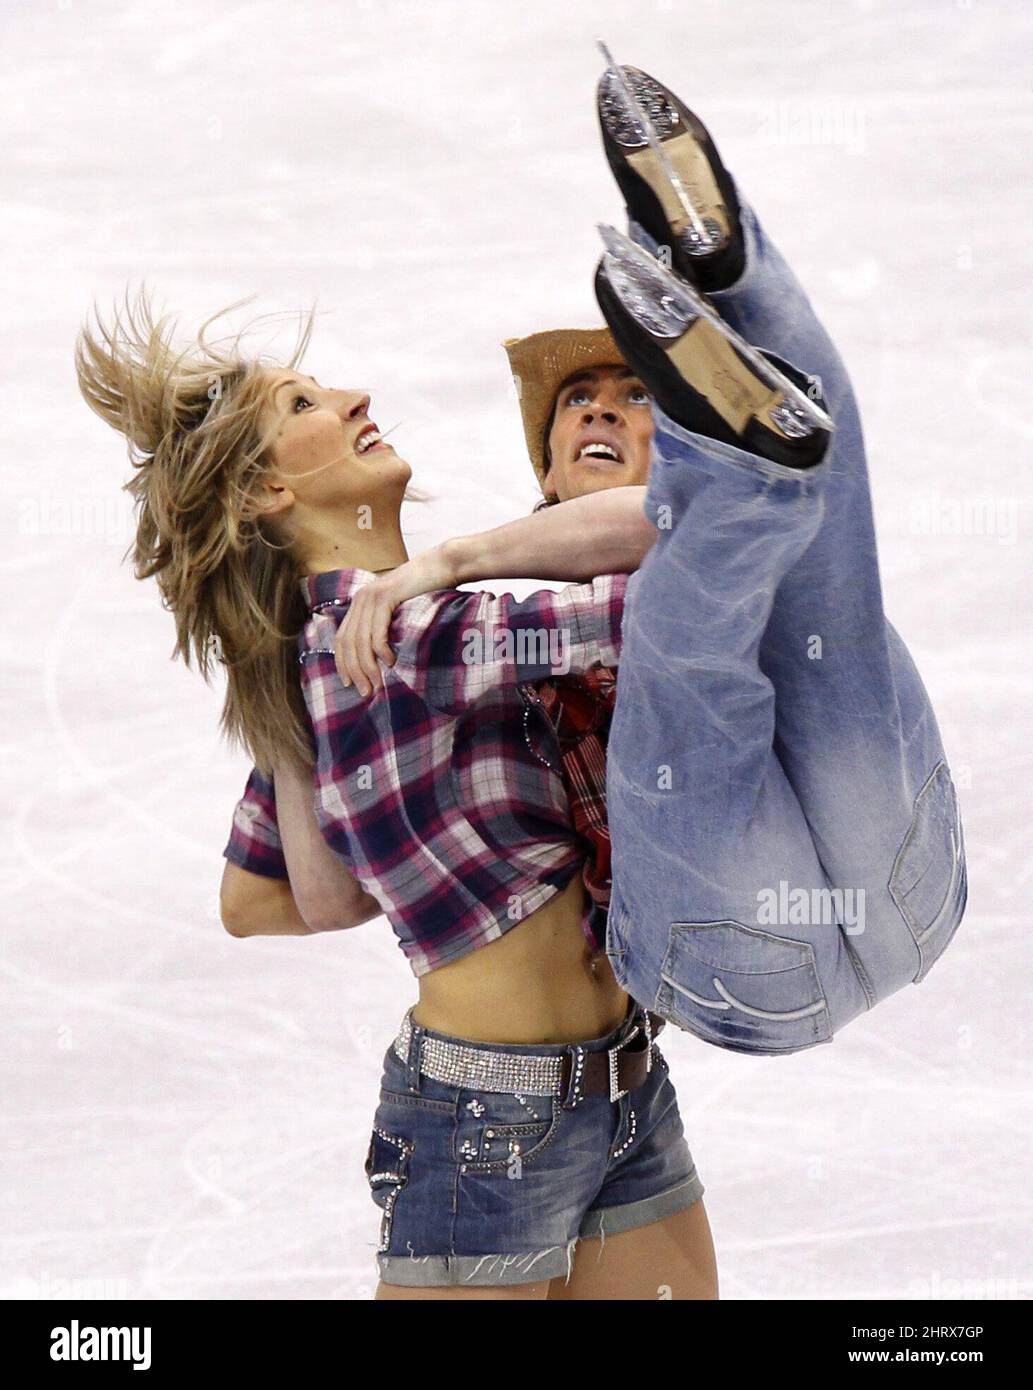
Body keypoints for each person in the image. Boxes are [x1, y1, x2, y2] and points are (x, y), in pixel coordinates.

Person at [336, 59, 967, 1059]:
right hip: (764, 938)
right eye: (576, 404)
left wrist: (441, 562)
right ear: (541, 474)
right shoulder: (502, 625)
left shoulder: (560, 570)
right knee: (730, 587)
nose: (599, 406)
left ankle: (722, 302)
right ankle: (728, 290)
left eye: (636, 397)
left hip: (857, 853)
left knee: (782, 573)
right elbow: (291, 888)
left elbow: (643, 526)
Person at [74, 316, 715, 1297]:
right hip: (484, 1128)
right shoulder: (411, 630)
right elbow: (684, 605)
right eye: (304, 405)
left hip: (622, 1091)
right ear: (266, 489)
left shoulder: (349, 639)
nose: (352, 399)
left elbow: (273, 899)